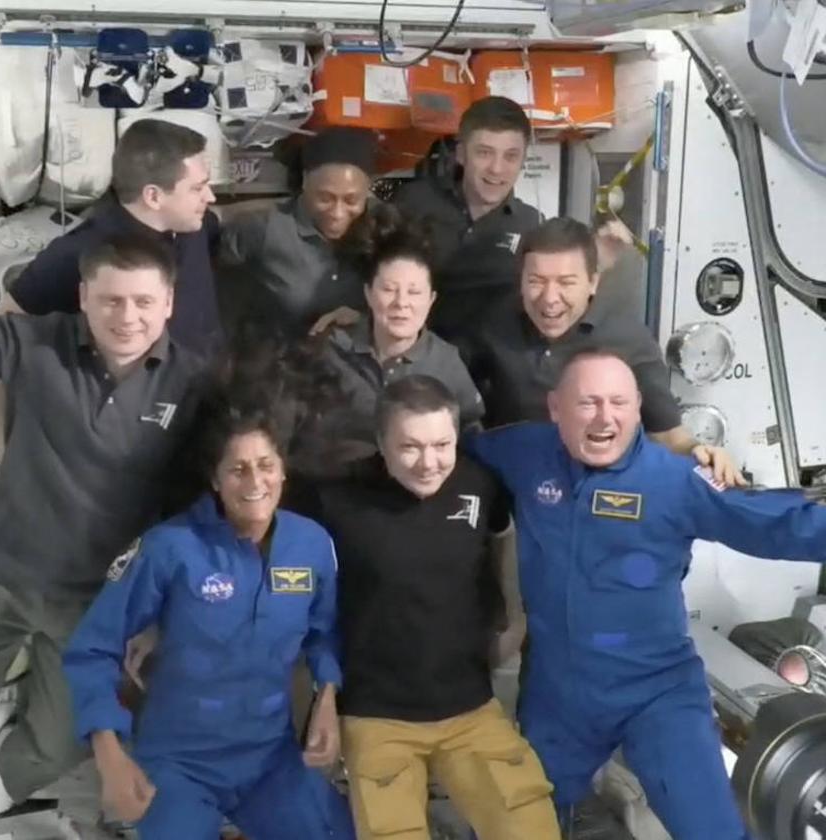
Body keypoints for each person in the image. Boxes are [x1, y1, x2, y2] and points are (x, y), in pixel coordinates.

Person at [0, 234, 207, 840]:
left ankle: (4, 790)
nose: (128, 317)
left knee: (64, 741)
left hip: (92, 604)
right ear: (83, 297)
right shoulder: (37, 343)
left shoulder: (194, 385)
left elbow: (195, 507)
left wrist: (158, 612)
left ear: (170, 303)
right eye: (111, 301)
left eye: (143, 302)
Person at [465, 349, 826, 840]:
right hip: (560, 692)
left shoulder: (677, 481)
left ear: (638, 409)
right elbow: (449, 449)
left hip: (657, 691)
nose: (604, 417)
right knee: (513, 824)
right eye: (587, 403)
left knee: (711, 830)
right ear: (555, 409)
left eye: (618, 402)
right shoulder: (524, 453)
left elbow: (775, 520)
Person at [62, 392, 355, 840]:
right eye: (237, 469)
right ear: (215, 480)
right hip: (180, 763)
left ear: (283, 470)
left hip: (269, 759)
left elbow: (324, 631)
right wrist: (111, 756)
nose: (255, 481)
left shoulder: (311, 544)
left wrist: (327, 698)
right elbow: (91, 649)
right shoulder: (169, 548)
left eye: (266, 465)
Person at [304, 376, 556, 840]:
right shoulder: (334, 499)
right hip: (378, 716)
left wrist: (515, 621)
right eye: (410, 447)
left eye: (442, 445)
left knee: (533, 829)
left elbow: (505, 545)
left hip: (470, 708)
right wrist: (321, 695)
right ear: (381, 443)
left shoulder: (480, 485)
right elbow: (304, 601)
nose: (429, 463)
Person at [0, 118, 220, 454]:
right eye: (197, 187)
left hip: (206, 426)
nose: (210, 195)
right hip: (133, 449)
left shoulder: (193, 225)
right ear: (153, 196)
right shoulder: (80, 253)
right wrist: (5, 448)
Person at [467, 216, 743, 485]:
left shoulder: (629, 340)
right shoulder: (493, 324)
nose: (550, 298)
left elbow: (669, 435)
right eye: (536, 281)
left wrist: (700, 451)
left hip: (598, 495)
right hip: (514, 489)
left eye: (566, 282)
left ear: (593, 283)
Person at [314, 223, 484, 472]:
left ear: (431, 300)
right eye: (389, 290)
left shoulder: (447, 363)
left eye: (414, 292)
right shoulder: (333, 349)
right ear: (369, 294)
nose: (401, 303)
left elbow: (471, 433)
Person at [392, 96, 543, 344]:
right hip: (414, 363)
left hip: (493, 374)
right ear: (461, 154)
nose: (496, 168)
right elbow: (373, 272)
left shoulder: (532, 226)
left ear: (523, 160)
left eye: (511, 156)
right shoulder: (412, 203)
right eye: (484, 153)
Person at [216, 126, 382, 339]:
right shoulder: (264, 228)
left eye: (351, 200)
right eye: (325, 198)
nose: (338, 213)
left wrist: (364, 319)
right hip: (280, 360)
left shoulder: (384, 229)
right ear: (304, 182)